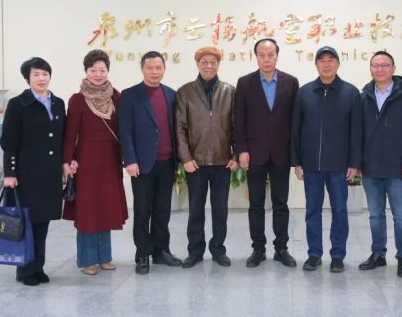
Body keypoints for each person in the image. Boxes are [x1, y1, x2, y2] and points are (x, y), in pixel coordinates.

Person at [291, 45, 361, 273]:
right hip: (311, 165)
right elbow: (295, 129)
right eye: (322, 60)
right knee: (312, 210)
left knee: (340, 210)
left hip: (339, 166)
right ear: (316, 65)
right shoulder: (304, 92)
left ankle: (338, 255)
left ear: (338, 64)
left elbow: (356, 131)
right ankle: (314, 254)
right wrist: (297, 161)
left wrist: (354, 163)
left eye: (331, 60)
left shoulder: (350, 93)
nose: (327, 64)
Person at [62, 50, 128, 275]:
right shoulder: (78, 99)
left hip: (110, 159)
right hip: (86, 161)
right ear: (86, 71)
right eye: (93, 70)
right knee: (88, 210)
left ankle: (105, 257)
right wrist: (68, 160)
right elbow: (70, 134)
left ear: (108, 71)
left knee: (106, 208)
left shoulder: (116, 96)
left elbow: (123, 129)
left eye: (102, 70)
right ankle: (88, 259)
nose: (98, 75)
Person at [234, 39, 299, 268]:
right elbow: (239, 120)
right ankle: (258, 249)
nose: (266, 59)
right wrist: (242, 150)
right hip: (254, 154)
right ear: (256, 57)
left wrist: (295, 155)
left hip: (281, 153)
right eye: (262, 55)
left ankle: (281, 249)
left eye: (270, 54)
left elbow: (295, 122)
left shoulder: (291, 82)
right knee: (256, 205)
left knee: (281, 204)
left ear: (277, 56)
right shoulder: (245, 83)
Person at [0, 57, 65, 286]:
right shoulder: (18, 104)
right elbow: (8, 142)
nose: (41, 78)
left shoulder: (58, 103)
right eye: (36, 74)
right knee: (25, 222)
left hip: (49, 174)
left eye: (45, 74)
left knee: (42, 222)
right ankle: (25, 270)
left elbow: (61, 137)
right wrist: (10, 173)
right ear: (27, 78)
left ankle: (38, 266)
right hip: (26, 174)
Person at [358, 51, 402, 278]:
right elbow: (357, 133)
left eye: (384, 65)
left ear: (393, 68)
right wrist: (358, 162)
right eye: (375, 65)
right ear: (370, 69)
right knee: (375, 215)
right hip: (370, 168)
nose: (380, 69)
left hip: (397, 167)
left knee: (401, 216)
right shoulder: (364, 97)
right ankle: (378, 254)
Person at [119, 51, 182, 275]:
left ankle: (161, 251)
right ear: (142, 69)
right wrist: (130, 159)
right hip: (142, 164)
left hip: (167, 162)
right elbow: (125, 130)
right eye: (150, 68)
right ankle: (143, 254)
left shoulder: (171, 94)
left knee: (163, 210)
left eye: (158, 68)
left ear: (164, 69)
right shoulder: (130, 95)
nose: (154, 72)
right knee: (143, 211)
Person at [176, 46, 238, 268]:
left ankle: (218, 250)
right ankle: (195, 251)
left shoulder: (230, 92)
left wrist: (236, 155)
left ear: (218, 64)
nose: (209, 65)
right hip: (196, 163)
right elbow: (180, 128)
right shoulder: (185, 92)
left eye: (213, 61)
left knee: (220, 210)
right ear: (197, 64)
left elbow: (237, 127)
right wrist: (186, 158)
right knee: (195, 210)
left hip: (223, 162)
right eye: (204, 62)